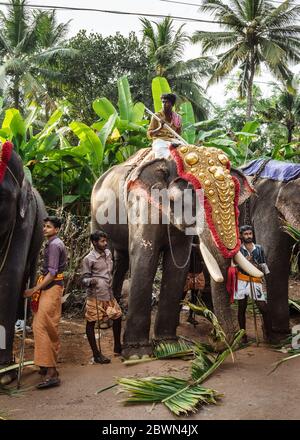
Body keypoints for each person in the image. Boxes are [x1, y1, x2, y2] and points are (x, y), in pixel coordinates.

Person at [24, 216, 67, 389]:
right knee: (49, 325)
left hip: (51, 287)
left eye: (48, 227)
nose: (44, 229)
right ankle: (46, 364)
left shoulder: (55, 245)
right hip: (51, 288)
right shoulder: (52, 243)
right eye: (44, 226)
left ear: (56, 229)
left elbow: (52, 272)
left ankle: (51, 372)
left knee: (41, 326)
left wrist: (34, 289)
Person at [81, 230, 122, 364]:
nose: (105, 243)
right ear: (94, 242)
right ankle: (96, 354)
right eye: (102, 241)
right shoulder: (88, 259)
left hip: (108, 293)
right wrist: (91, 281)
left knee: (118, 316)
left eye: (106, 241)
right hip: (95, 296)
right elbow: (84, 279)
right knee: (91, 322)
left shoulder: (108, 253)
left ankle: (117, 346)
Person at [234, 225, 271, 343]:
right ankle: (243, 335)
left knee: (263, 308)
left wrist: (256, 265)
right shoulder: (238, 249)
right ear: (241, 235)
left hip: (255, 281)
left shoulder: (259, 248)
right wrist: (244, 262)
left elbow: (264, 265)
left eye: (250, 234)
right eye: (246, 234)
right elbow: (234, 264)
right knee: (242, 308)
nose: (249, 236)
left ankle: (268, 332)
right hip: (241, 281)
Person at [147, 93, 182, 159]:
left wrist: (178, 142)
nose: (164, 104)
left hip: (173, 141)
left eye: (167, 102)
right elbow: (149, 134)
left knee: (188, 152)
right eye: (163, 102)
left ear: (172, 104)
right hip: (160, 141)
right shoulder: (156, 116)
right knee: (165, 156)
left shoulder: (177, 117)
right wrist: (160, 128)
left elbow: (178, 135)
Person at [182, 239, 205, 325]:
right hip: (187, 272)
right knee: (182, 295)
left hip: (198, 272)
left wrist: (198, 247)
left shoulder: (201, 239)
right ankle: (175, 316)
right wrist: (192, 246)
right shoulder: (188, 237)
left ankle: (191, 316)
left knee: (194, 296)